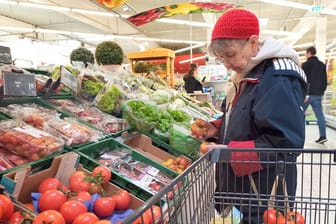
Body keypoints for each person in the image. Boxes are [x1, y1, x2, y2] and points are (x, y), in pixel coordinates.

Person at [195, 8, 308, 223]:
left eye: (231, 55)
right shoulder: (249, 73)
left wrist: (230, 153)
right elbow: (247, 115)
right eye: (222, 58)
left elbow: (285, 143)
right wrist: (217, 128)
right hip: (241, 190)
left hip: (264, 196)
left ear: (253, 42)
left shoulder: (278, 77)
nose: (227, 64)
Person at [301, 46, 328, 144]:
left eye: (305, 53)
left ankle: (300, 136)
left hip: (307, 95)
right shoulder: (322, 65)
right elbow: (325, 81)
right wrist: (321, 91)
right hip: (318, 94)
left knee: (300, 114)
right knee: (320, 115)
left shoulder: (305, 65)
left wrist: (304, 92)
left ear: (309, 53)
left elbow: (303, 80)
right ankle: (323, 136)